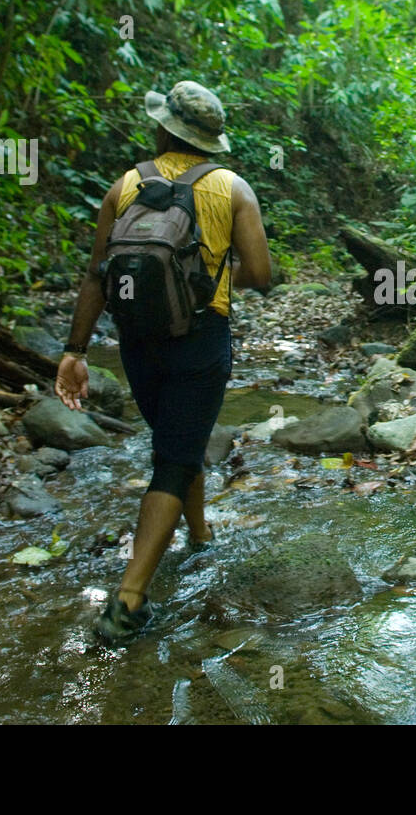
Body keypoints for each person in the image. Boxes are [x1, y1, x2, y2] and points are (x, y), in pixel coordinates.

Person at [54, 80, 272, 642]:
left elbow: (97, 274)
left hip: (136, 339)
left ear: (162, 128)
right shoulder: (231, 187)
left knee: (175, 440)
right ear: (209, 140)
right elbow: (262, 276)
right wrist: (215, 275)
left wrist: (75, 351)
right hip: (200, 338)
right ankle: (128, 600)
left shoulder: (124, 185)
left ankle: (198, 534)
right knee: (174, 457)